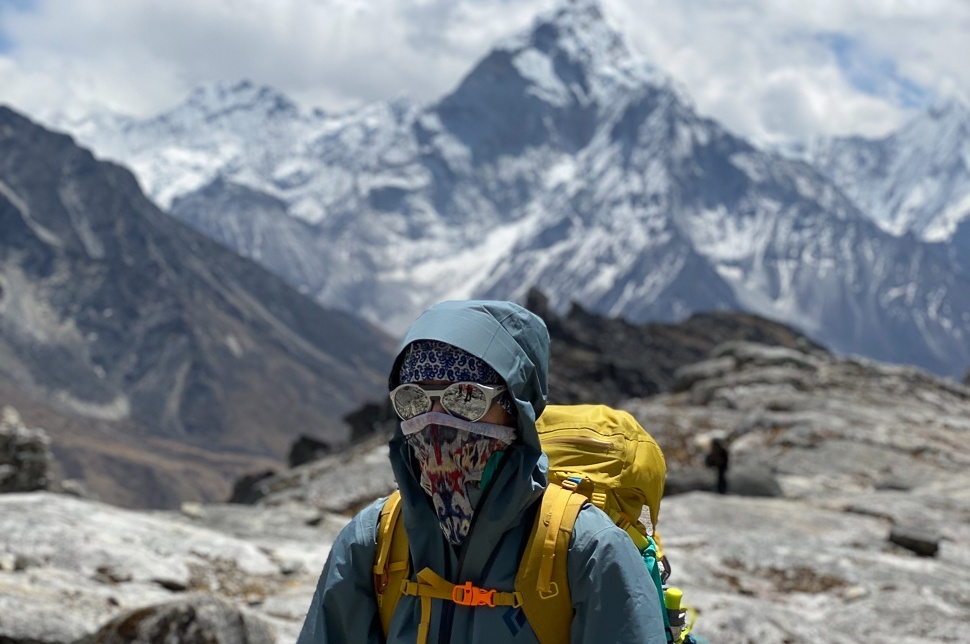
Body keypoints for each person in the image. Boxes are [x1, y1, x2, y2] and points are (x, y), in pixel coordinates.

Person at [297, 300, 668, 643]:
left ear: (515, 410)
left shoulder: (586, 550)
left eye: (465, 398)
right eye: (413, 399)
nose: (434, 420)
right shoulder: (372, 542)